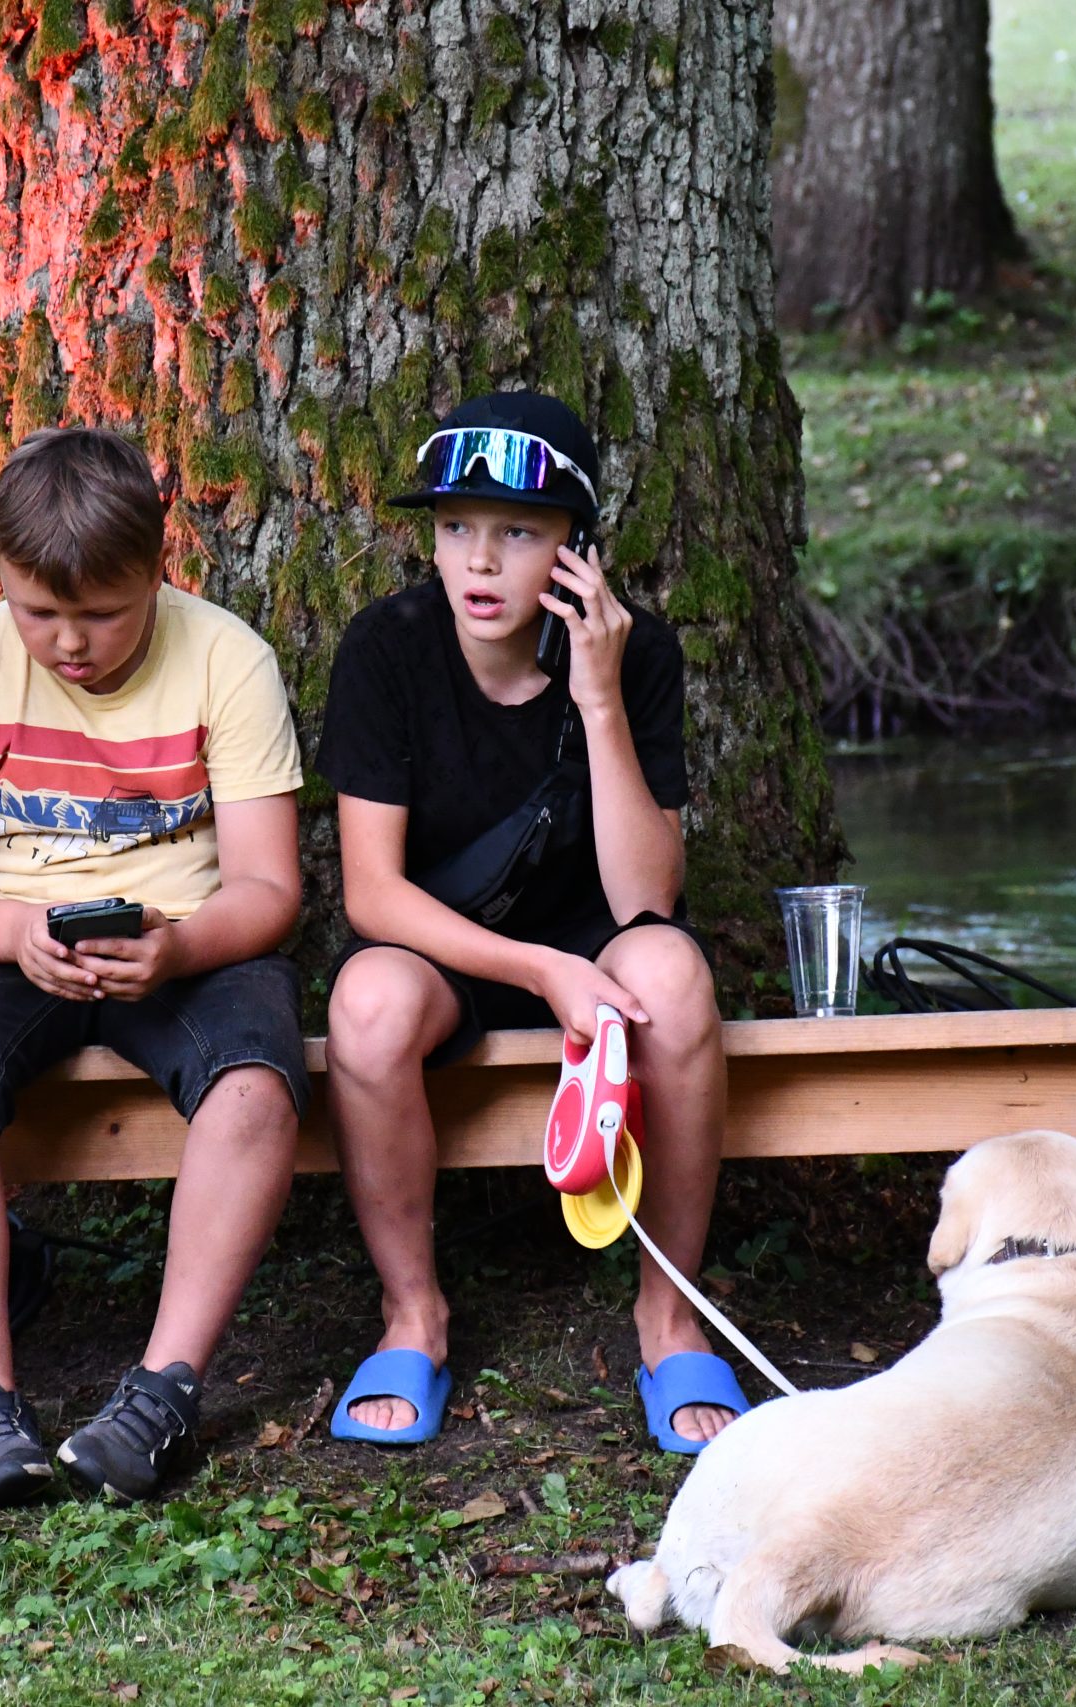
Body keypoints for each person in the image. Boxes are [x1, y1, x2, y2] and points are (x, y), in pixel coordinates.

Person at [0, 426, 308, 1508]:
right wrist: (12, 934)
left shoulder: (227, 659)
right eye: (38, 612)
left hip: (189, 939)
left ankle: (163, 1393)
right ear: (0, 577)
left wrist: (178, 946)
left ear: (160, 569)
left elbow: (268, 888)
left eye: (103, 615)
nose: (68, 644)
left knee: (256, 1087)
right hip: (9, 938)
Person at [313, 392, 747, 1455]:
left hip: (605, 951)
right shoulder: (388, 648)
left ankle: (669, 1315)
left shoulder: (637, 655)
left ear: (574, 549)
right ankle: (412, 1315)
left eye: (517, 531)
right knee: (365, 1003)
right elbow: (372, 894)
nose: (480, 559)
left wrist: (598, 697)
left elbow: (645, 897)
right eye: (456, 526)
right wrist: (538, 969)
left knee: (674, 976)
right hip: (448, 951)